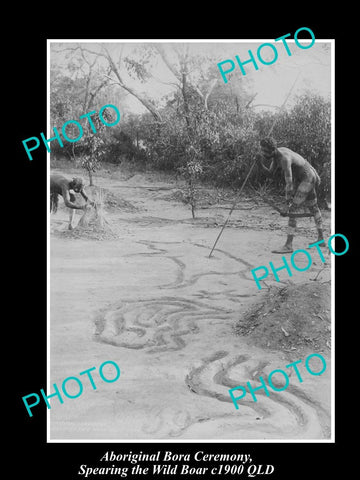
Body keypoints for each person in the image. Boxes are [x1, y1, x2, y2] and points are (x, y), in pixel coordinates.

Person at [259, 137, 324, 253]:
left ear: (272, 150)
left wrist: (288, 202)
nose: (263, 153)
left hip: (307, 178)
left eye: (265, 151)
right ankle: (321, 239)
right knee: (313, 207)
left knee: (293, 210)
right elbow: (270, 174)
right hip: (307, 176)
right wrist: (259, 164)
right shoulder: (276, 155)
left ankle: (288, 246)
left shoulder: (284, 158)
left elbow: (289, 184)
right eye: (262, 151)